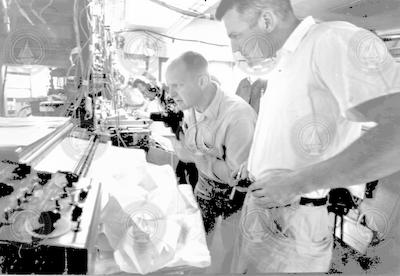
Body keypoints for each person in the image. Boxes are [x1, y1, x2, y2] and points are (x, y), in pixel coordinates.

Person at [216, 0, 400, 273]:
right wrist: (255, 164)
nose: (235, 49)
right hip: (263, 209)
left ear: (267, 20)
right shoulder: (284, 62)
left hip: (291, 220)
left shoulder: (332, 40)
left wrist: (297, 182)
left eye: (236, 35)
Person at [165, 51, 257, 270]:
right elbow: (192, 143)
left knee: (228, 252)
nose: (170, 94)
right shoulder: (191, 107)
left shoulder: (238, 116)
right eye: (169, 86)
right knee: (194, 243)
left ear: (203, 81)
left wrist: (197, 159)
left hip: (235, 196)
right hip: (205, 185)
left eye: (177, 85)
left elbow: (238, 177)